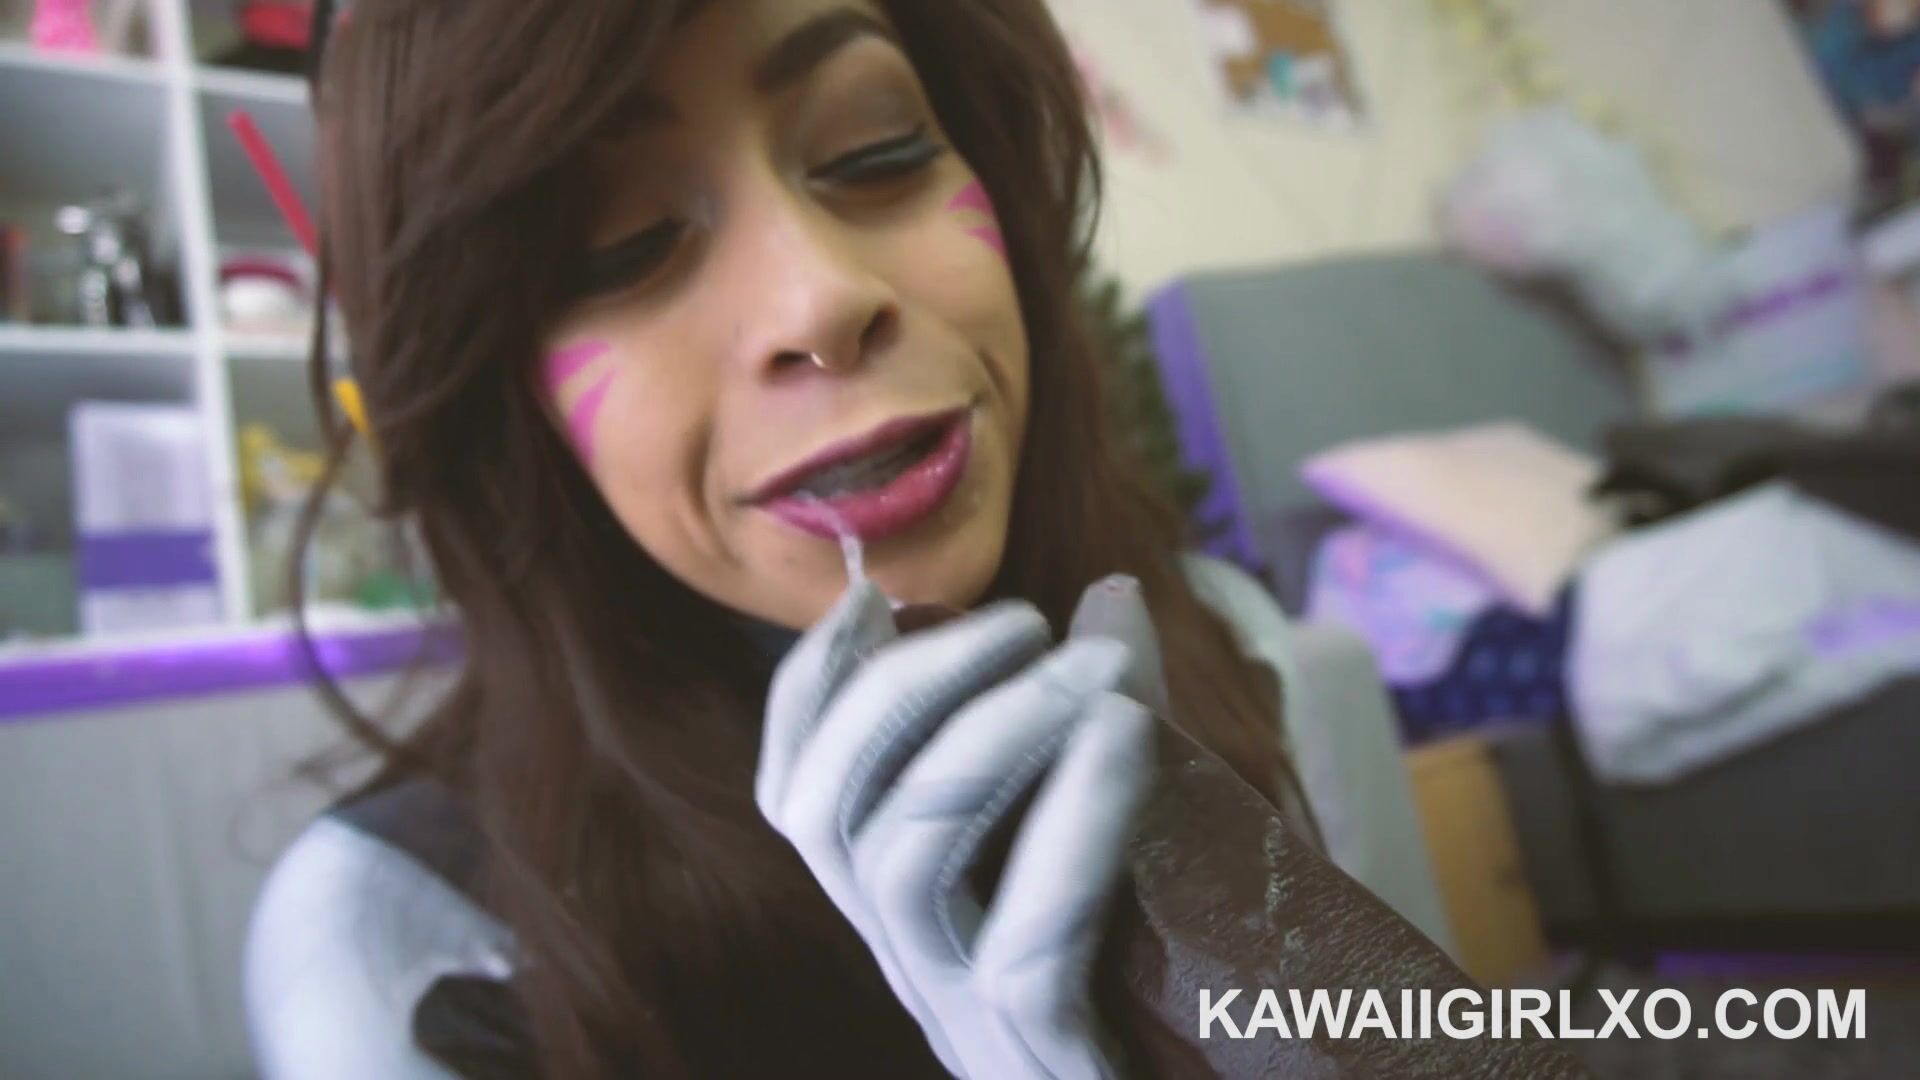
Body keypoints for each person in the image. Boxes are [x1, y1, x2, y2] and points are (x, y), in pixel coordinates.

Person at [243, 1, 1393, 1076]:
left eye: (877, 149)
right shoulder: (395, 941)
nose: (822, 299)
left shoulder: (1233, 645)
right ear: (501, 399)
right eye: (622, 243)